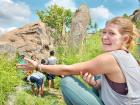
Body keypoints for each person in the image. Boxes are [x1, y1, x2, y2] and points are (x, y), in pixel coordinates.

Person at [17, 17, 140, 105]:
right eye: (104, 32)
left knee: (67, 81)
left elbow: (68, 69)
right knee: (97, 75)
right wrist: (95, 85)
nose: (104, 37)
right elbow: (121, 89)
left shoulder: (111, 58)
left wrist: (38, 67)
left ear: (125, 39)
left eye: (111, 33)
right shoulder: (129, 58)